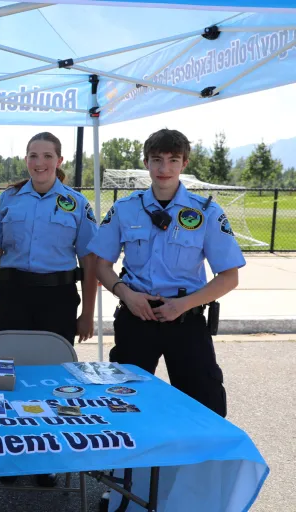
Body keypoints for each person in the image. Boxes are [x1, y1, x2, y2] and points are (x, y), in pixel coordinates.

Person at [88, 128, 244, 418]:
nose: (164, 168)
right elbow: (101, 266)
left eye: (173, 160)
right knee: (122, 406)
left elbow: (229, 277)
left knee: (205, 408)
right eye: (157, 159)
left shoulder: (206, 213)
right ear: (146, 162)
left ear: (184, 164)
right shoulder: (125, 209)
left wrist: (182, 305)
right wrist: (127, 295)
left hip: (186, 321)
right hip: (136, 318)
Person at [0, 132, 98, 345]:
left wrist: (88, 313)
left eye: (48, 156)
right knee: (8, 361)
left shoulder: (77, 204)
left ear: (59, 161)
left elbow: (89, 262)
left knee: (55, 363)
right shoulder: (7, 199)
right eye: (33, 156)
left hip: (58, 300)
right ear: (26, 160)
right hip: (11, 297)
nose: (39, 163)